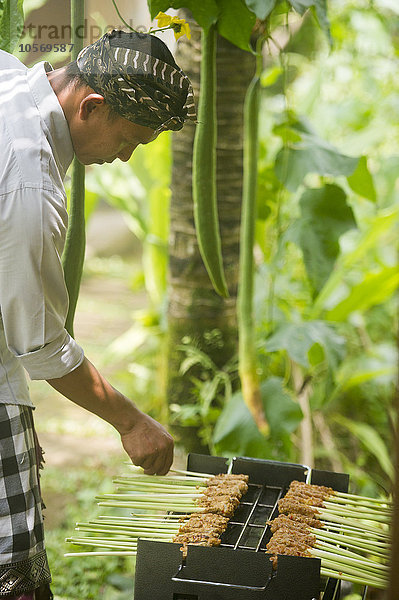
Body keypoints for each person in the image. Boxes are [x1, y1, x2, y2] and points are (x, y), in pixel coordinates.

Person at [0, 28, 196, 599]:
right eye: (129, 138)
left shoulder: (10, 75)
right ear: (91, 106)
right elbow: (39, 345)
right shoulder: (29, 185)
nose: (125, 156)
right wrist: (132, 422)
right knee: (12, 577)